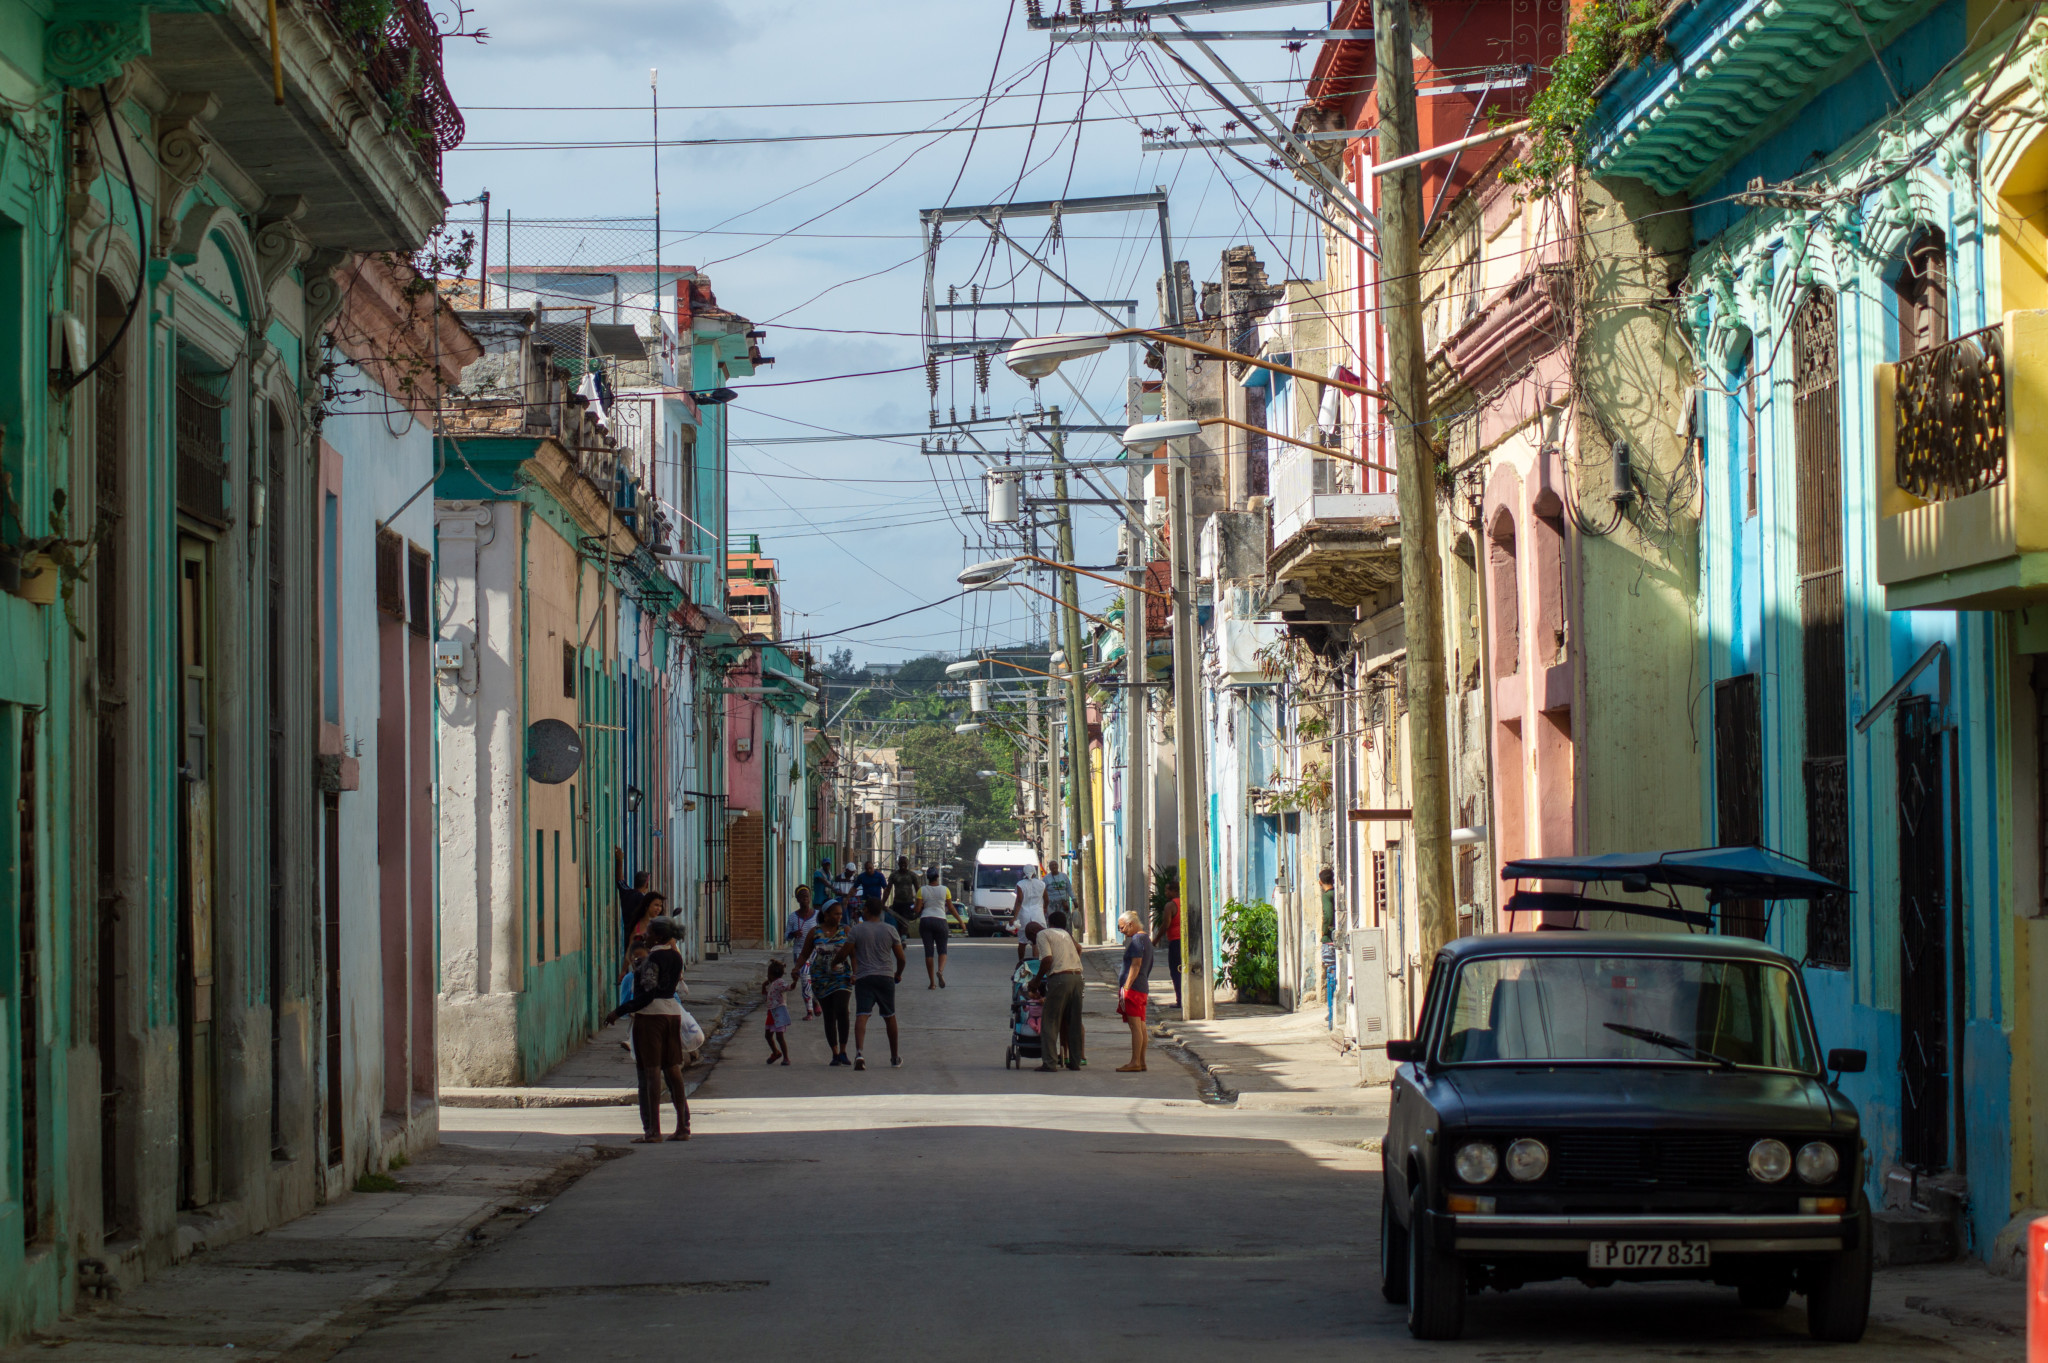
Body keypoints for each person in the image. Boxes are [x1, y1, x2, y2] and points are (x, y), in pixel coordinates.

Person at [603, 918, 691, 1142]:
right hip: (672, 1012)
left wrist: (618, 1011)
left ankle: (653, 1130)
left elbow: (647, 994)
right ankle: (683, 1125)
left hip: (651, 1017)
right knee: (673, 1069)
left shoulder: (652, 959)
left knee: (651, 1071)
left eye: (649, 932)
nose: (645, 936)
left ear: (658, 936)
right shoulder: (676, 956)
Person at [834, 900, 905, 1070]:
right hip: (885, 977)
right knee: (890, 1016)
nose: (861, 911)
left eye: (863, 908)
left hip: (864, 978)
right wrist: (898, 974)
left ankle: (859, 1053)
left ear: (867, 910)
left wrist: (834, 963)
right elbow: (901, 958)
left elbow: (844, 952)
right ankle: (894, 1057)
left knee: (862, 1015)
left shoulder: (857, 930)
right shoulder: (890, 930)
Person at [797, 903, 853, 1066]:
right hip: (820, 978)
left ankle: (843, 1051)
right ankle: (835, 1053)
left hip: (842, 975)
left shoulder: (846, 930)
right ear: (826, 914)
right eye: (835, 914)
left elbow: (853, 954)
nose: (839, 917)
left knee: (842, 1010)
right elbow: (804, 954)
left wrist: (855, 972)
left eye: (840, 914)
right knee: (829, 1015)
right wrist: (796, 968)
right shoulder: (815, 932)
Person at [1034, 908, 1085, 1073]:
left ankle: (1049, 1062)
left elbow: (1047, 960)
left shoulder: (1043, 934)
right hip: (1077, 977)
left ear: (1049, 922)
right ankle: (1075, 1061)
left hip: (1059, 979)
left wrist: (1036, 981)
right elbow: (1079, 949)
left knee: (1050, 1020)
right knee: (1074, 1021)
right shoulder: (1066, 934)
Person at [1115, 910, 1153, 1072]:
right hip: (1142, 987)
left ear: (1131, 924)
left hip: (1134, 989)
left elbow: (1136, 964)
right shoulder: (1145, 939)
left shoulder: (1137, 940)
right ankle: (1141, 1061)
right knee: (1141, 1026)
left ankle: (1135, 1061)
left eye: (1122, 928)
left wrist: (1127, 986)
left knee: (1135, 1027)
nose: (1122, 931)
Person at [916, 867, 961, 989]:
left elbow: (917, 909)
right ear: (938, 877)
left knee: (929, 953)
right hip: (941, 921)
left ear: (927, 878)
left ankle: (932, 983)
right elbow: (951, 908)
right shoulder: (945, 890)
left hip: (926, 921)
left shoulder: (922, 890)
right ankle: (940, 971)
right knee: (942, 950)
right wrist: (961, 921)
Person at [785, 886, 820, 1019]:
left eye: (807, 896)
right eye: (802, 897)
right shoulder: (793, 917)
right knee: (805, 979)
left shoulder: (817, 915)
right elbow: (786, 936)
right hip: (800, 952)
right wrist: (794, 934)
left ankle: (816, 1000)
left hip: (816, 952)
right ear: (798, 899)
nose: (805, 899)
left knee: (815, 980)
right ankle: (809, 1010)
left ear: (810, 898)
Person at [613, 847, 653, 952]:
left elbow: (619, 880)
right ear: (647, 884)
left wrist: (619, 860)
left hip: (628, 935)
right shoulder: (646, 901)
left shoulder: (627, 893)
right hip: (642, 936)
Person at [1013, 863, 1048, 963]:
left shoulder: (1020, 884)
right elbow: (1047, 899)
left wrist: (1014, 917)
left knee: (1022, 941)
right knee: (1036, 941)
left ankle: (1021, 962)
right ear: (1034, 872)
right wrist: (1044, 909)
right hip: (1038, 915)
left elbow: (1019, 901)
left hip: (1024, 915)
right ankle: (1036, 963)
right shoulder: (1041, 884)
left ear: (1023, 873)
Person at [763, 961, 793, 1066]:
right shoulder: (773, 983)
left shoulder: (780, 982)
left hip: (779, 1011)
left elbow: (789, 987)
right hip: (772, 1011)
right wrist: (764, 986)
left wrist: (795, 981)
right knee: (768, 1035)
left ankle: (786, 1057)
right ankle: (776, 1052)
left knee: (779, 1036)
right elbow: (767, 994)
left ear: (771, 974)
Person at [1160, 874, 1183, 1009]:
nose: (1165, 893)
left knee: (1175, 971)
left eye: (1167, 890)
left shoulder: (1170, 905)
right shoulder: (1183, 903)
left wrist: (1156, 939)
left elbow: (1165, 924)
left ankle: (1180, 1000)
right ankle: (1182, 998)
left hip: (1175, 942)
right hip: (1185, 941)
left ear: (1174, 891)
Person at [887, 856, 921, 934]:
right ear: (898, 864)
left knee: (905, 922)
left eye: (904, 863)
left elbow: (918, 890)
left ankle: (903, 937)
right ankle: (898, 937)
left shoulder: (912, 875)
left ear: (907, 864)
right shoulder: (894, 875)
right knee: (897, 921)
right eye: (901, 863)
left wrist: (919, 903)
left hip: (908, 903)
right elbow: (887, 890)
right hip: (897, 903)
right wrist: (882, 902)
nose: (903, 865)